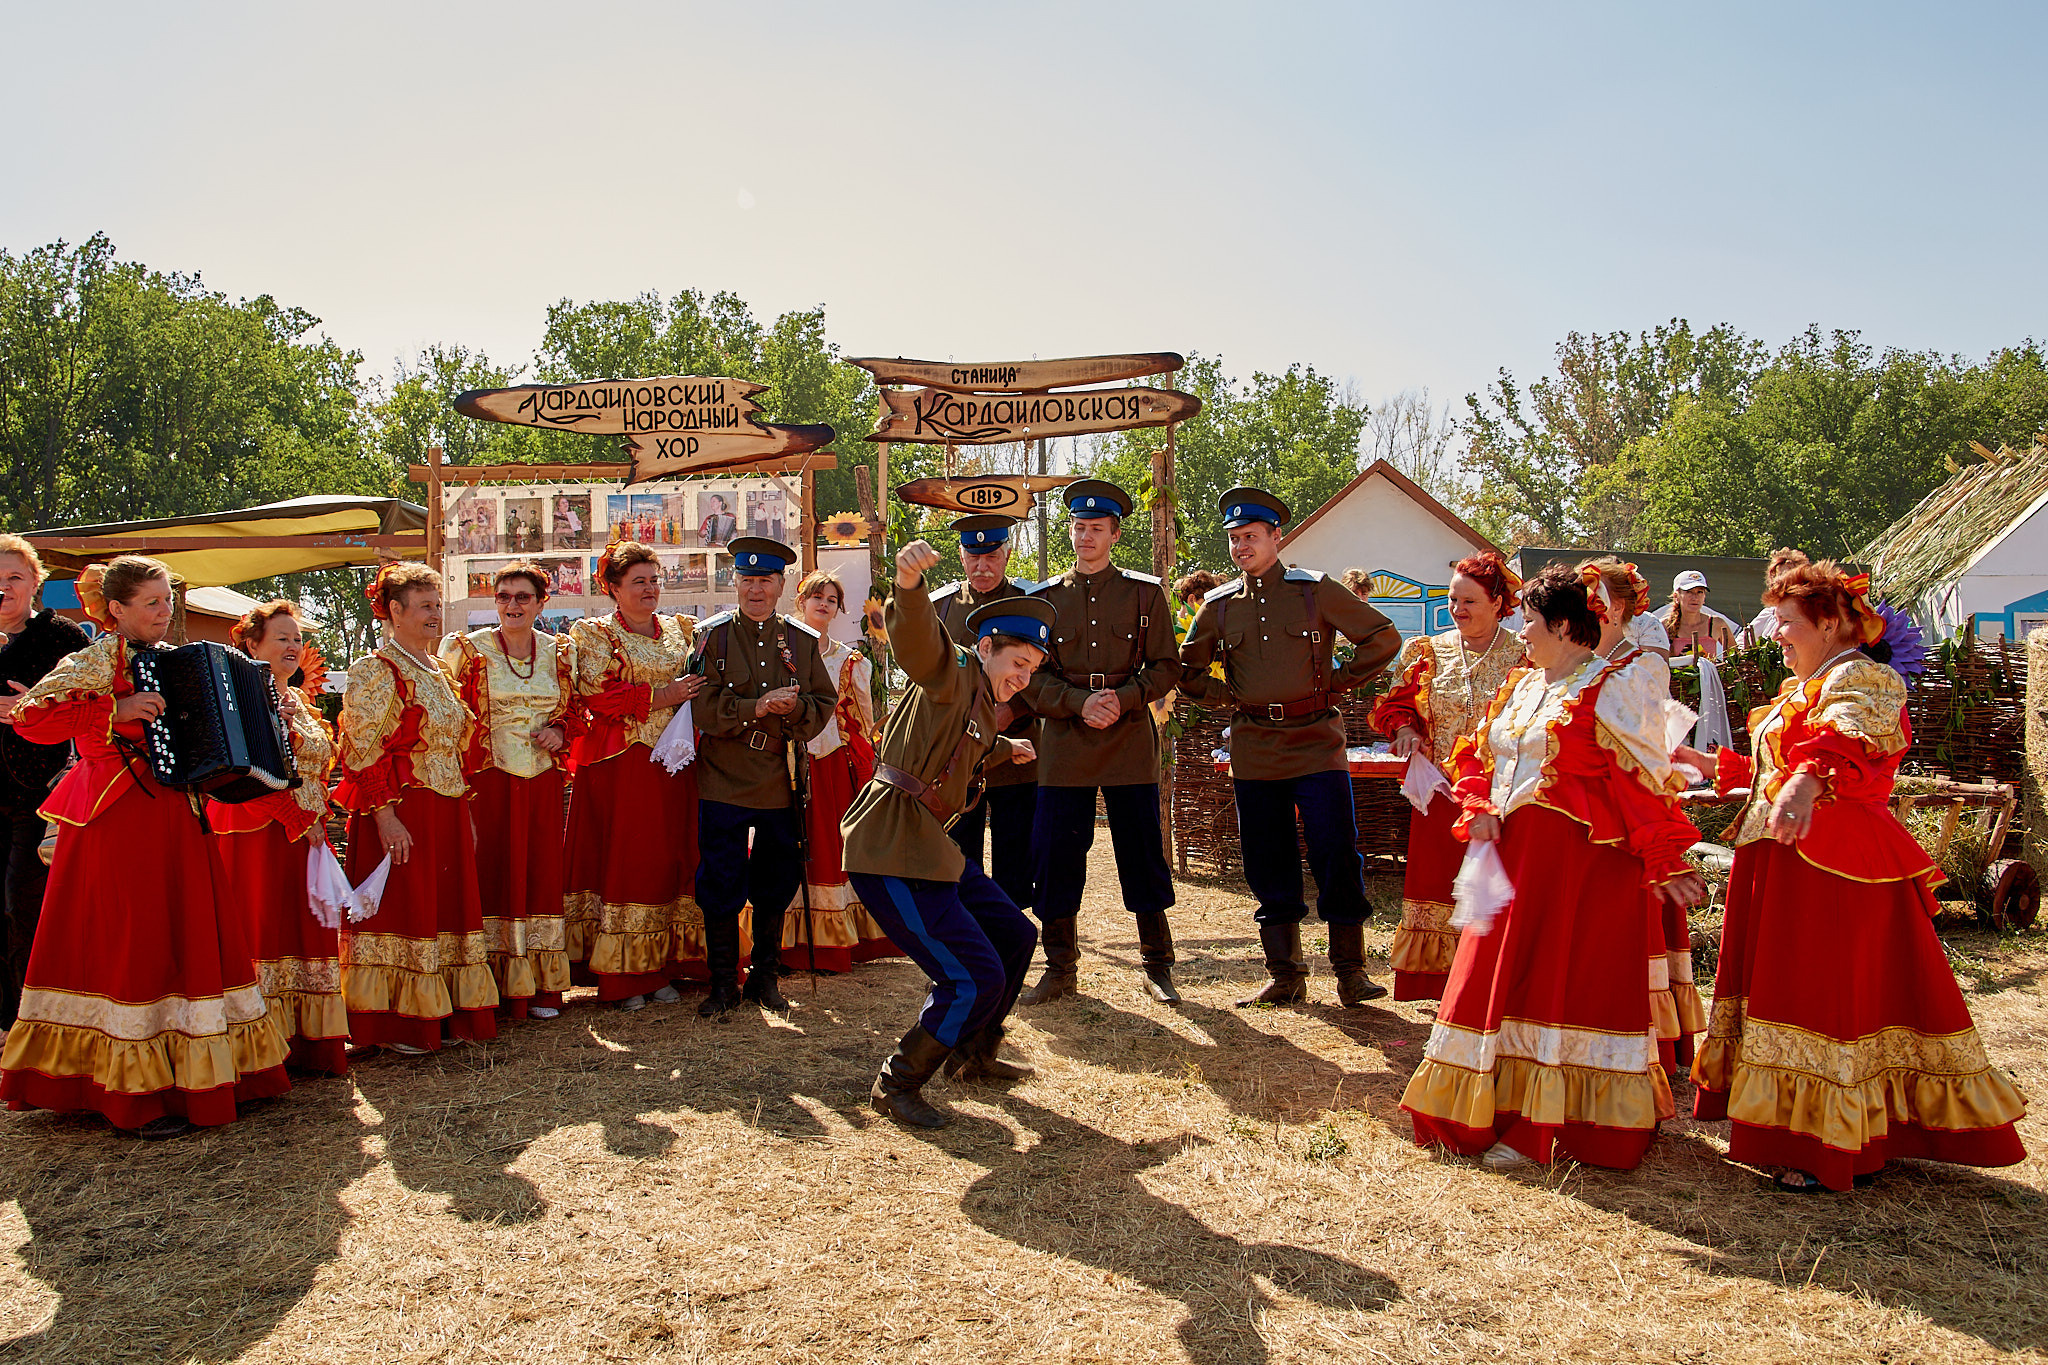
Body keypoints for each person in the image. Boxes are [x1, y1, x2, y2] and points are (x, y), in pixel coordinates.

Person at [1680, 561, 2027, 1192]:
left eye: (1788, 623)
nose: (1777, 635)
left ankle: (1828, 1144)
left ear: (1834, 622)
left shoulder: (1865, 679)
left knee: (1826, 998)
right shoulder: (1804, 686)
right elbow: (1779, 766)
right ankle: (1800, 1130)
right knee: (1797, 993)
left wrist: (1806, 784)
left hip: (1832, 866)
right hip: (1785, 859)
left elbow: (1846, 743)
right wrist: (1705, 761)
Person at [1399, 565, 1707, 1172]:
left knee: (1559, 988)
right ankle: (1493, 1109)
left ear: (1564, 627)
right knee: (1497, 980)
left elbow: (1641, 780)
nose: (1521, 634)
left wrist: (1663, 856)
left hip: (1579, 867)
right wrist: (1480, 803)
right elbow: (1477, 754)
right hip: (1516, 858)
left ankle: (1552, 1124)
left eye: (1531, 623)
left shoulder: (1612, 685)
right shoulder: (1524, 685)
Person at [0, 556, 289, 1136]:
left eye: (167, 601)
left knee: (185, 935)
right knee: (137, 942)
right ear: (116, 609)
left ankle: (204, 1073)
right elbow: (31, 717)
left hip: (178, 815)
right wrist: (115, 709)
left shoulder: (175, 661)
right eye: (152, 603)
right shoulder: (89, 660)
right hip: (116, 819)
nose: (165, 612)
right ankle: (134, 1093)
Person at [843, 539, 1047, 1128]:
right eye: (1016, 665)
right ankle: (898, 1081)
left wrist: (1007, 747)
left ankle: (971, 1052)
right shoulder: (952, 671)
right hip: (892, 845)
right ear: (986, 647)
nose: (1021, 679)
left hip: (931, 846)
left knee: (1015, 935)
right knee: (970, 974)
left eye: (1030, 671)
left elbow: (969, 741)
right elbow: (917, 641)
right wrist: (908, 585)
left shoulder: (982, 697)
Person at [1178, 487, 1403, 1007]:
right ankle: (1285, 975)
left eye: (1251, 537)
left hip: (1316, 744)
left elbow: (1383, 638)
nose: (1241, 547)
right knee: (1267, 858)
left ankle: (1351, 972)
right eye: (1234, 540)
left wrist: (1339, 682)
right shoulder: (1218, 606)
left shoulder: (1315, 591)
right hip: (1255, 747)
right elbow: (1185, 670)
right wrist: (1227, 696)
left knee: (1336, 852)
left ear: (1277, 537)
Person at [1016, 482, 1183, 1004]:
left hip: (1128, 737)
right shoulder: (1042, 599)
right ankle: (1059, 964)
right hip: (1065, 743)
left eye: (1096, 529)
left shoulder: (1144, 593)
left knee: (1140, 851)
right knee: (1057, 854)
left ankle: (1158, 963)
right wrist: (1076, 703)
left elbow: (1166, 666)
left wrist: (1125, 697)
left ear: (1114, 534)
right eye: (1078, 527)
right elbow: (1028, 675)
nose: (1085, 536)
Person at [334, 563, 500, 1054]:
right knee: (406, 908)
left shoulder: (438, 669)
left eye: (436, 603)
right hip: (404, 808)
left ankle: (442, 1009)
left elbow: (454, 747)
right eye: (425, 605)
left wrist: (465, 809)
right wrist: (385, 816)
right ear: (394, 611)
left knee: (443, 909)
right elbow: (361, 747)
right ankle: (400, 1022)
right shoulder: (376, 669)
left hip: (443, 807)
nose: (435, 613)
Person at [691, 536, 836, 1017]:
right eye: (747, 579)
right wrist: (759, 706)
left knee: (776, 878)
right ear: (735, 581)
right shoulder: (710, 637)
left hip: (781, 777)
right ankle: (722, 983)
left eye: (765, 581)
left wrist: (797, 710)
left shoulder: (800, 640)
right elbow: (704, 707)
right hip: (723, 774)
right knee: (721, 878)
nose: (756, 590)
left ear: (781, 584)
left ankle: (765, 977)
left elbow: (824, 701)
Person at [1370, 550, 1524, 1001]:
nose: (1457, 610)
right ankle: (1436, 984)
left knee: (1497, 885)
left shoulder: (1525, 655)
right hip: (1439, 792)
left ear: (1498, 603)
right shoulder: (1426, 651)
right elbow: (1395, 704)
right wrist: (1404, 729)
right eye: (1453, 600)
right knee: (1437, 885)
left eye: (1470, 601)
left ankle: (1492, 980)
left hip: (1502, 794)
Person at [208, 600, 349, 1075]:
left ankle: (307, 1042)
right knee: (264, 932)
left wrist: (313, 819)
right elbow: (241, 774)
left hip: (305, 835)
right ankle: (259, 1050)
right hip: (259, 831)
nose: (293, 647)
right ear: (251, 645)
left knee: (304, 933)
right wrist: (296, 817)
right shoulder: (242, 698)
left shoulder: (301, 702)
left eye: (297, 639)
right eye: (281, 638)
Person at [564, 541, 705, 1011]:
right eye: (639, 581)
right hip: (623, 764)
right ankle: (625, 975)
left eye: (654, 579)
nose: (650, 588)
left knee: (670, 856)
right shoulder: (593, 634)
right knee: (631, 860)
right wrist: (666, 694)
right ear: (613, 588)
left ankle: (665, 964)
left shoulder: (680, 629)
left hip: (676, 763)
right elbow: (596, 695)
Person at [441, 562, 580, 1021]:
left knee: (540, 870)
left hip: (541, 778)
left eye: (523, 596)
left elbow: (576, 709)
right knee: (491, 868)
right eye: (503, 596)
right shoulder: (466, 650)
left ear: (543, 603)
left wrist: (560, 730)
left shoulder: (560, 651)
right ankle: (487, 983)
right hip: (489, 778)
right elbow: (451, 715)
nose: (512, 605)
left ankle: (538, 985)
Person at [1579, 556, 1698, 1076]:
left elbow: (1643, 744)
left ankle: (1641, 1041)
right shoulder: (1570, 658)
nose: (1587, 605)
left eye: (1596, 596)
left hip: (1629, 806)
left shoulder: (1643, 662)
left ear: (1619, 607)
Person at [781, 570, 900, 972]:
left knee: (832, 848)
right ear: (801, 601)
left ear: (838, 609)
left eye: (832, 599)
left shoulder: (851, 661)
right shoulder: (781, 651)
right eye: (817, 596)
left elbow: (865, 721)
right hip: (785, 761)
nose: (824, 604)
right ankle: (785, 940)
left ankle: (838, 940)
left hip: (832, 762)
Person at [0, 536, 89, 1038]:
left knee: (24, 903)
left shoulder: (62, 636)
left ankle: (31, 1022)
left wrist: (33, 710)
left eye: (14, 577)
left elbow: (92, 706)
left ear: (36, 583)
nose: (4, 588)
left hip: (42, 795)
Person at [932, 514, 1041, 914]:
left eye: (991, 556)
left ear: (1007, 555)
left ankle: (1010, 954)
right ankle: (972, 953)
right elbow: (931, 677)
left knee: (1016, 864)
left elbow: (1048, 672)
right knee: (960, 862)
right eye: (972, 556)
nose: (982, 566)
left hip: (1017, 759)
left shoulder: (1032, 604)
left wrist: (1011, 708)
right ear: (961, 556)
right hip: (959, 761)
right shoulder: (941, 607)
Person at [1663, 570, 1738, 660]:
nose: (1695, 597)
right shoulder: (1663, 626)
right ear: (1676, 597)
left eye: (1700, 592)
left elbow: (1736, 657)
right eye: (1689, 592)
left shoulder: (1717, 624)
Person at [1745, 547, 1811, 645]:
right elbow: (1742, 642)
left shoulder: (1809, 613)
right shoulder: (1769, 613)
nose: (1782, 582)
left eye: (1788, 576)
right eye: (1778, 577)